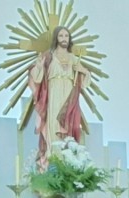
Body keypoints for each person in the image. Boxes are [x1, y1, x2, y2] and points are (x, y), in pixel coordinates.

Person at [29, 26, 87, 168]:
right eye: (61, 36)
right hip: (53, 94)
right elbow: (37, 79)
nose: (64, 39)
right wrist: (39, 66)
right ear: (56, 38)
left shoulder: (73, 58)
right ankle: (52, 160)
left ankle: (67, 162)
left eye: (66, 36)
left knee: (68, 127)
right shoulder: (48, 56)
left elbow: (84, 82)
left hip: (69, 97)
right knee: (53, 125)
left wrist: (83, 71)